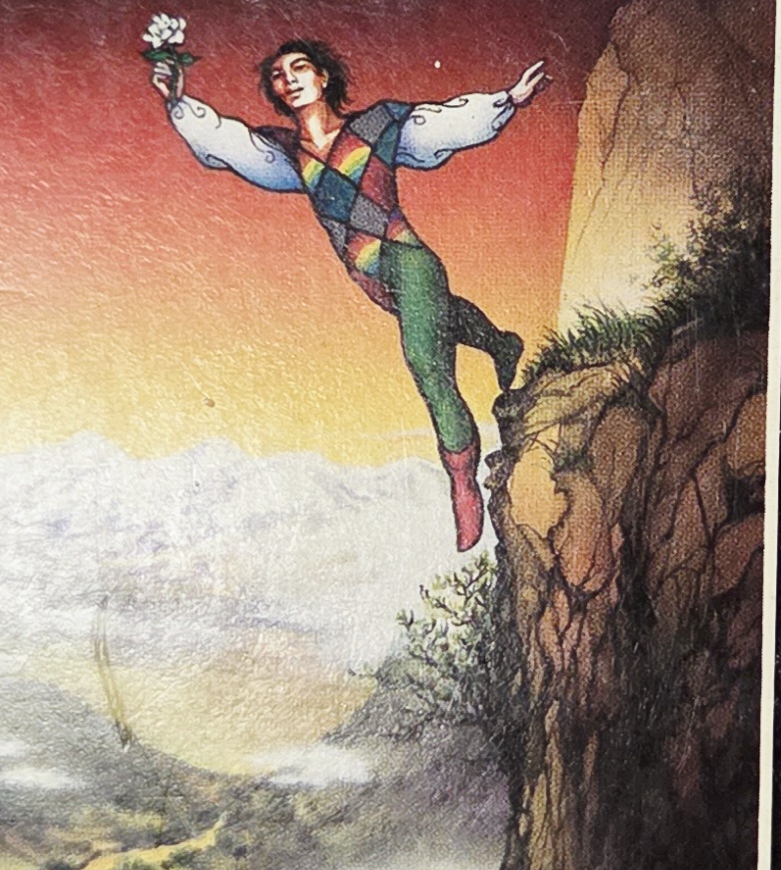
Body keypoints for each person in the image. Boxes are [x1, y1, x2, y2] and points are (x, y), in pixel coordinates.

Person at [151, 37, 550, 550]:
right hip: (370, 280)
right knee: (439, 321)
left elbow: (439, 125)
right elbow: (228, 144)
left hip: (409, 262)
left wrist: (507, 101)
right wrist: (177, 102)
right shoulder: (286, 153)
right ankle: (500, 344)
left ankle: (461, 480)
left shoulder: (377, 125)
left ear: (324, 77)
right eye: (278, 75)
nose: (289, 79)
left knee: (426, 361)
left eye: (300, 68)